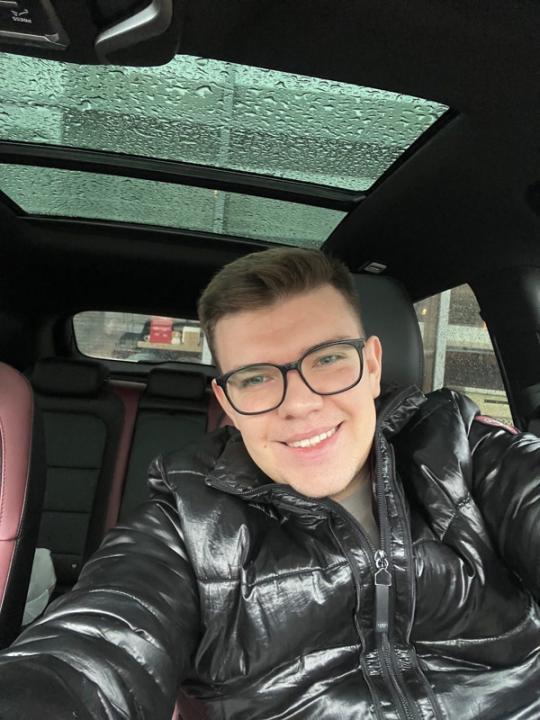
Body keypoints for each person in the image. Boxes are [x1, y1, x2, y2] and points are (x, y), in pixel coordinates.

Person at [1, 247, 540, 720]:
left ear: (373, 366)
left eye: (328, 359)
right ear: (228, 403)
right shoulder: (188, 522)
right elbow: (90, 653)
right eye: (256, 377)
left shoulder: (461, 447)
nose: (300, 404)